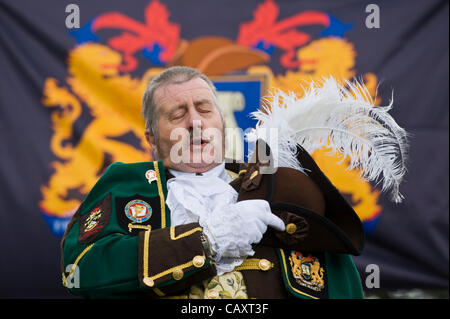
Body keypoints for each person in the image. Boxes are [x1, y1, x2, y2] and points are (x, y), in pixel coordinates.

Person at [61, 66, 365, 299]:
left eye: (204, 109)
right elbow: (81, 269)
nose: (194, 122)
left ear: (221, 120)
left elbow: (340, 284)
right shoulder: (126, 187)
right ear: (152, 138)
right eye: (177, 114)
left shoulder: (279, 186)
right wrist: (208, 239)